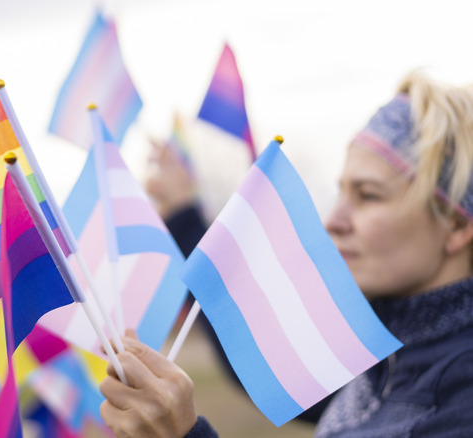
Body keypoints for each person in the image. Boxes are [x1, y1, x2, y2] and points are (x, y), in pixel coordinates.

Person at [100, 70, 473, 437]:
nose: (333, 220)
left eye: (369, 195)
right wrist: (183, 216)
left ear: (457, 226)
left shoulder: (460, 398)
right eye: (341, 192)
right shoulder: (384, 363)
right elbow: (263, 362)